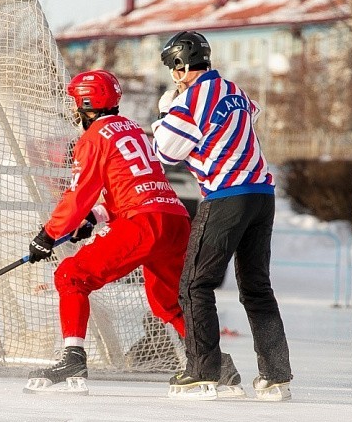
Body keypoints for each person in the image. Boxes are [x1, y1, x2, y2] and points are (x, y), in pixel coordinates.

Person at [24, 69, 192, 394]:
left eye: (76, 103)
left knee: (70, 276)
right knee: (167, 302)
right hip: (173, 220)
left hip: (143, 223)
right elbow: (129, 187)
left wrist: (47, 236)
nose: (74, 110)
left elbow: (77, 196)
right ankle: (210, 361)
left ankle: (72, 357)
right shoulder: (133, 129)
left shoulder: (94, 137)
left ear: (87, 102)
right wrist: (95, 217)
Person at [152, 30, 292, 401]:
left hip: (227, 195)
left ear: (180, 66)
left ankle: (202, 371)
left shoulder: (191, 98)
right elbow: (252, 115)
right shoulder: (234, 89)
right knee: (257, 288)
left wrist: (166, 112)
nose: (173, 75)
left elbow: (166, 151)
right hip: (262, 194)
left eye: (173, 68)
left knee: (195, 284)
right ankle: (276, 376)